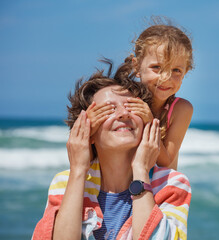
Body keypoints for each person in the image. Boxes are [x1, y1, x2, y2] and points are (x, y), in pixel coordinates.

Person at [32, 64, 191, 240]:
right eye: (108, 109)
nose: (123, 114)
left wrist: (141, 170)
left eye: (131, 107)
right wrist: (78, 170)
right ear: (87, 131)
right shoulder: (64, 182)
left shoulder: (171, 184)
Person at [88, 18, 194, 170]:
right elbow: (91, 154)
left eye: (176, 70)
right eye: (156, 67)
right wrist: (89, 128)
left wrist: (149, 123)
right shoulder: (122, 101)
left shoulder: (180, 109)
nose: (166, 78)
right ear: (137, 66)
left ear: (186, 72)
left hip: (159, 188)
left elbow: (165, 162)